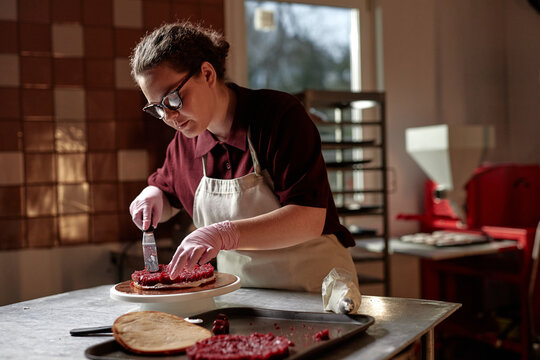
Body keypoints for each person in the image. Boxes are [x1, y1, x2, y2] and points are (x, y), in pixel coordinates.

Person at [128, 21, 358, 292]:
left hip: (317, 292)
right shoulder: (185, 143)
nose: (169, 117)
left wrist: (224, 234)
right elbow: (168, 194)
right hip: (243, 300)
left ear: (207, 74)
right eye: (158, 108)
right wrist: (153, 196)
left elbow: (309, 218)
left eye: (173, 100)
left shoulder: (278, 117)